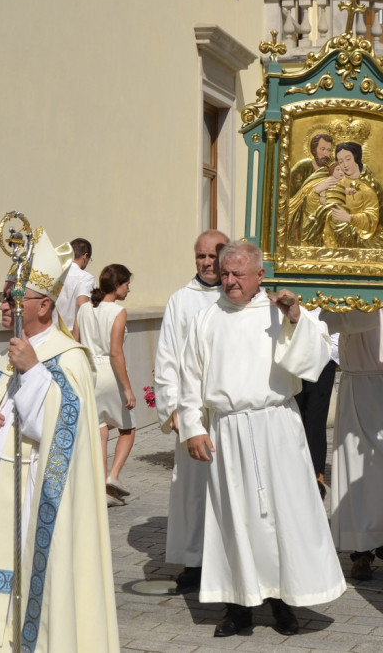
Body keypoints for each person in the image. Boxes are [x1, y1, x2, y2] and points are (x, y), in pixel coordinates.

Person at [0, 230, 118, 652]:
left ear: (43, 305)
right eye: (2, 295)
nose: (4, 304)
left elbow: (65, 430)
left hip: (36, 500)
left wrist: (36, 371)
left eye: (12, 297)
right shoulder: (5, 359)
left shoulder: (67, 357)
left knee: (35, 590)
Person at [179, 241, 345, 638]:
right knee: (234, 518)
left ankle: (284, 602)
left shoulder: (278, 312)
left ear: (259, 276)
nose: (231, 281)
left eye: (239, 274)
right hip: (227, 430)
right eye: (225, 273)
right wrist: (193, 426)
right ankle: (238, 608)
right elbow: (190, 377)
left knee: (283, 516)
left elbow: (313, 361)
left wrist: (294, 318)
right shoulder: (205, 318)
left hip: (276, 427)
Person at [154, 229, 228, 591]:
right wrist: (172, 407)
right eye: (201, 256)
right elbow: (167, 357)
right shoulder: (180, 301)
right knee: (193, 489)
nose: (208, 262)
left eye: (214, 255)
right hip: (193, 409)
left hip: (229, 411)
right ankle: (194, 561)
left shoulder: (240, 297)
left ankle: (227, 558)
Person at [321, 308, 383, 581]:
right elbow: (331, 320)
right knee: (356, 471)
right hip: (357, 384)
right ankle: (360, 551)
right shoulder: (350, 285)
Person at [76, 263, 136, 505]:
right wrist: (128, 388)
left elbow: (75, 342)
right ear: (118, 285)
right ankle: (113, 476)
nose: (129, 289)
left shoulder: (83, 309)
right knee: (128, 428)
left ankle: (102, 491)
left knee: (100, 429)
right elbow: (115, 352)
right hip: (108, 372)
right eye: (127, 284)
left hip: (87, 371)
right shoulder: (117, 312)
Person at [294, 307, 338, 499]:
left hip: (323, 359)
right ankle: (293, 470)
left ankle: (316, 473)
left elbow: (334, 325)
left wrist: (331, 356)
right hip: (292, 358)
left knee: (316, 419)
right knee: (293, 418)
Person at [56, 237, 95, 334]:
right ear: (85, 256)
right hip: (72, 335)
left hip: (52, 334)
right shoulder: (85, 277)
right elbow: (81, 304)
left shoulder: (55, 274)